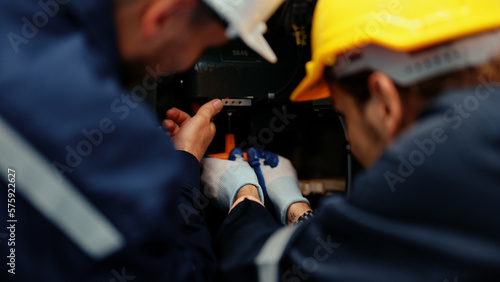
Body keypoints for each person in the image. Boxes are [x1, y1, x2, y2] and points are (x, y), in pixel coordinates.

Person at [201, 0, 500, 280]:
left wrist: (244, 194)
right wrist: (296, 207)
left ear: (385, 101)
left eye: (342, 116)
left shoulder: (435, 166)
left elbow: (261, 268)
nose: (352, 145)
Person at [0, 0, 283, 281]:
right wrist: (184, 163)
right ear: (163, 16)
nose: (189, 63)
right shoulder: (112, 141)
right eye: (204, 47)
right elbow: (184, 274)